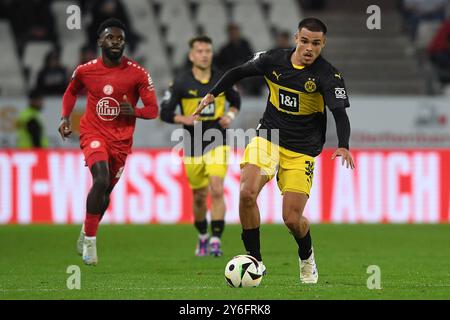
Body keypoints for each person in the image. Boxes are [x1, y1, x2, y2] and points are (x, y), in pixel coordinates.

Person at [194, 18, 355, 283]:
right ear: (296, 39)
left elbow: (340, 114)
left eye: (316, 43)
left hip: (302, 149)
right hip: (268, 137)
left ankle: (307, 258)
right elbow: (237, 72)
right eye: (304, 41)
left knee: (292, 219)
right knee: (247, 194)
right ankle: (254, 260)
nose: (309, 48)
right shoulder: (273, 60)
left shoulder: (329, 76)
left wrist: (344, 145)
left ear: (323, 44)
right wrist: (212, 94)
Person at [58, 18, 159, 266]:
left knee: (105, 192)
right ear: (100, 41)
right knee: (100, 179)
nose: (115, 42)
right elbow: (71, 91)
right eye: (110, 38)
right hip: (93, 133)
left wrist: (133, 111)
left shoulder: (137, 73)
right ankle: (91, 243)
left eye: (120, 38)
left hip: (121, 142)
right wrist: (65, 117)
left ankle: (86, 230)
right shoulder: (86, 70)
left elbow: (154, 109)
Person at [160, 36, 241, 257]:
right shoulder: (180, 83)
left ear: (212, 53)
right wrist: (182, 119)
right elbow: (164, 112)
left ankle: (216, 240)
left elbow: (236, 101)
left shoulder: (223, 79)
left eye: (208, 50)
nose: (204, 54)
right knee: (198, 195)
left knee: (216, 188)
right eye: (200, 51)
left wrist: (230, 115)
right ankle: (203, 236)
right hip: (192, 144)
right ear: (191, 55)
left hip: (218, 140)